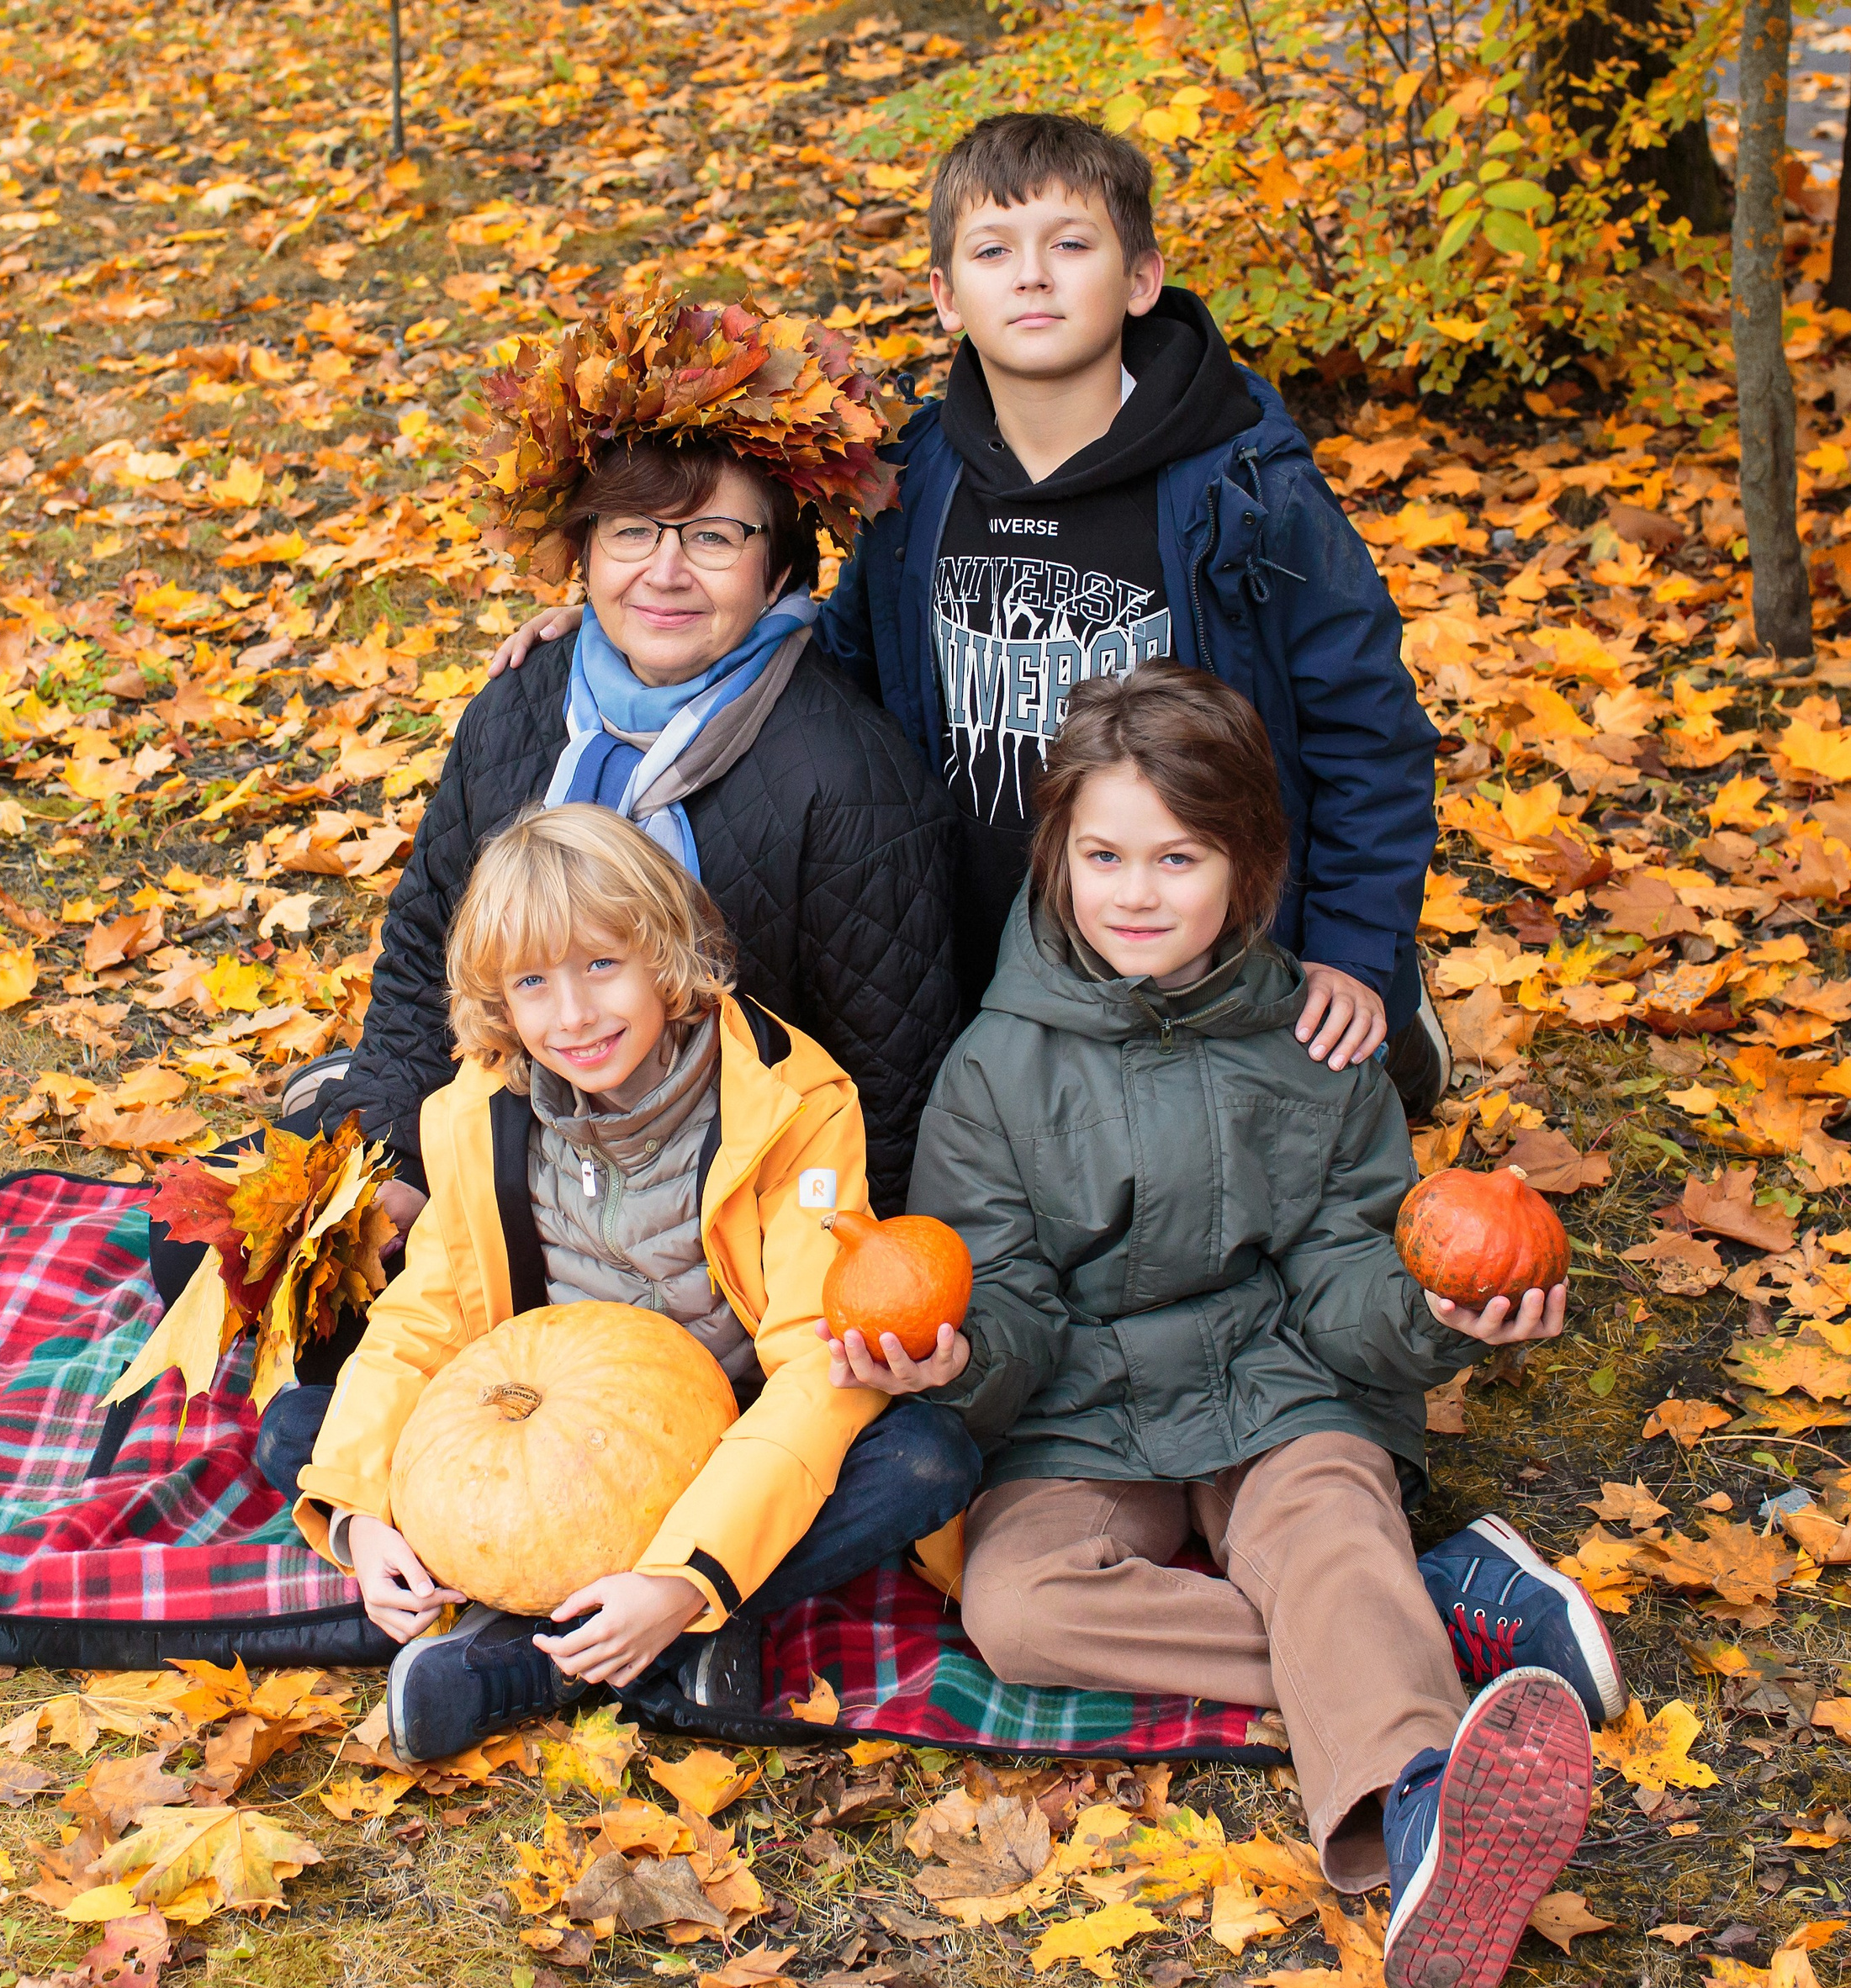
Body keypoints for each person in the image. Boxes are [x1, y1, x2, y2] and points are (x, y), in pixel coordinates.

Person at [875, 664, 1618, 1988]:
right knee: (1020, 1607)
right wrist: (960, 1360)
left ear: (1248, 864)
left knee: (1326, 1527)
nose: (1136, 892)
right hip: (1081, 1411)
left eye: (1179, 855)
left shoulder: (1312, 1040)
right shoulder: (995, 1067)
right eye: (1103, 853)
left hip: (1282, 1381)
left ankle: (1423, 1810)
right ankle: (1424, 1640)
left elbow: (1348, 1261)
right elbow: (1004, 1291)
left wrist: (1435, 1314)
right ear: (1057, 854)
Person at [491, 114, 1450, 1115]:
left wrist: (1350, 948)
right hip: (991, 951)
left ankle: (1400, 1031)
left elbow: (1366, 728)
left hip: (1205, 939)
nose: (1032, 276)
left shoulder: (1243, 490)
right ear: (947, 296)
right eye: (994, 251)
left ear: (1140, 280)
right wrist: (634, 643)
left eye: (1071, 244)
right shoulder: (920, 485)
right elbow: (842, 671)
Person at [290, 803, 980, 1764]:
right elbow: (420, 1323)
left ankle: (552, 1658)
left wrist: (683, 1578)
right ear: (500, 999)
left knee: (923, 1456)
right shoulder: (482, 1108)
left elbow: (813, 1375)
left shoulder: (789, 1105)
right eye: (533, 983)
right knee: (308, 1437)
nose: (572, 1016)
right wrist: (361, 1515)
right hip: (549, 1447)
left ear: (663, 954)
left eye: (601, 966)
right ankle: (681, 1636)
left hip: (732, 1432)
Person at [297, 288, 961, 1259]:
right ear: (586, 553)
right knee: (235, 1256)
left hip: (721, 1211)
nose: (665, 571)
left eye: (712, 538)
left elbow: (889, 1088)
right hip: (517, 1139)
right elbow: (423, 962)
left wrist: (832, 1273)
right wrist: (394, 1161)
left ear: (779, 571)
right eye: (634, 533)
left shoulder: (846, 778)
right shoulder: (522, 708)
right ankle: (331, 1100)